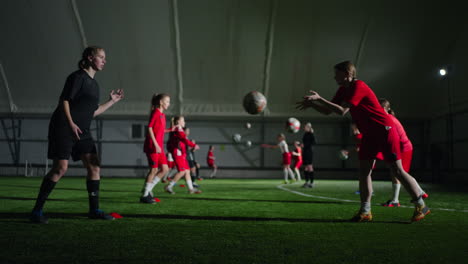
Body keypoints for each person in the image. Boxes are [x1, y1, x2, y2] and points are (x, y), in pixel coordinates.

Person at [296, 60, 430, 222]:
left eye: (337, 74)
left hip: (384, 130)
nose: (334, 77)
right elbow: (327, 111)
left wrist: (319, 98)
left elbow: (342, 111)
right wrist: (313, 104)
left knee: (397, 170)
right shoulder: (342, 90)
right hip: (369, 134)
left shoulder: (358, 86)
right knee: (364, 171)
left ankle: (421, 204)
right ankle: (365, 211)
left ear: (347, 74)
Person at [30, 46, 124, 223]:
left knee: (94, 167)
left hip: (83, 131)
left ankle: (94, 210)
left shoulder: (95, 84)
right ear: (90, 58)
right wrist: (71, 123)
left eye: (105, 58)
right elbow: (64, 100)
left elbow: (92, 112)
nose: (105, 61)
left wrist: (112, 101)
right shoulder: (77, 77)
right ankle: (36, 211)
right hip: (64, 127)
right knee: (60, 169)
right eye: (101, 57)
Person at [377, 98, 428, 207]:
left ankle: (419, 195)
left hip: (403, 147)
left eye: (379, 107)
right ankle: (398, 200)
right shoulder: (387, 118)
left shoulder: (388, 118)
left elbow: (391, 137)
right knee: (397, 172)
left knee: (400, 172)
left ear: (385, 108)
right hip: (401, 147)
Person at [140, 94, 170, 204]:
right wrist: (156, 144)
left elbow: (161, 130)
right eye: (167, 101)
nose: (169, 103)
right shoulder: (156, 113)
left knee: (165, 169)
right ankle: (145, 195)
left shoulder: (162, 115)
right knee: (153, 170)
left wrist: (171, 130)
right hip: (153, 147)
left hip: (159, 148)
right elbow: (149, 127)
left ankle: (148, 191)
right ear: (161, 102)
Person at [165, 116, 201, 194]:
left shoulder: (178, 129)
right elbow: (184, 140)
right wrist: (194, 145)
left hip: (181, 153)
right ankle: (169, 186)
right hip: (177, 153)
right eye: (183, 120)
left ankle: (191, 189)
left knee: (187, 171)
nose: (184, 122)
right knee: (181, 171)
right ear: (178, 122)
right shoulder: (178, 129)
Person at [301, 123, 316, 188]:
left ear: (309, 128)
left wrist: (305, 145)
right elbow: (305, 143)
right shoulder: (305, 134)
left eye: (305, 127)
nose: (304, 128)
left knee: (310, 167)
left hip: (309, 152)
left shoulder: (311, 134)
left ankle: (312, 183)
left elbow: (314, 142)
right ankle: (307, 182)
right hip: (305, 152)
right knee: (305, 167)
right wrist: (301, 144)